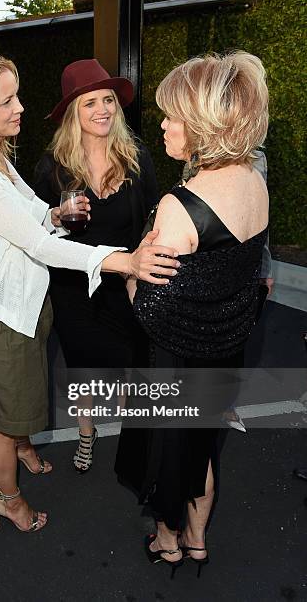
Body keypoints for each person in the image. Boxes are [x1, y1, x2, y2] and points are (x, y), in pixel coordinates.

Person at [0, 52, 180, 533]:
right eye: (7, 100)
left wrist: (55, 214)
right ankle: (7, 500)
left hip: (25, 304)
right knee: (3, 418)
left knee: (21, 400)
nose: (20, 107)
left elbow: (35, 216)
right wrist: (123, 261)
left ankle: (22, 447)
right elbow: (37, 245)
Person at [115, 51, 269, 576]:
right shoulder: (254, 181)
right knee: (202, 447)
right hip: (225, 350)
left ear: (202, 125)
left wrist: (132, 271)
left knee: (166, 454)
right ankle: (199, 539)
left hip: (175, 360)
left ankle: (169, 542)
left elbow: (149, 311)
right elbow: (241, 274)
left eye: (173, 115)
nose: (162, 124)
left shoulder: (180, 204)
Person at [34, 59, 160, 472]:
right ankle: (86, 432)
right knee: (84, 369)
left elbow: (152, 220)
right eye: (90, 102)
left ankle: (135, 439)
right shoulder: (52, 167)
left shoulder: (136, 157)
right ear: (74, 112)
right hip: (76, 291)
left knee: (132, 365)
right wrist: (53, 215)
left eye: (108, 100)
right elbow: (35, 230)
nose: (103, 109)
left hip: (126, 284)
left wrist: (136, 271)